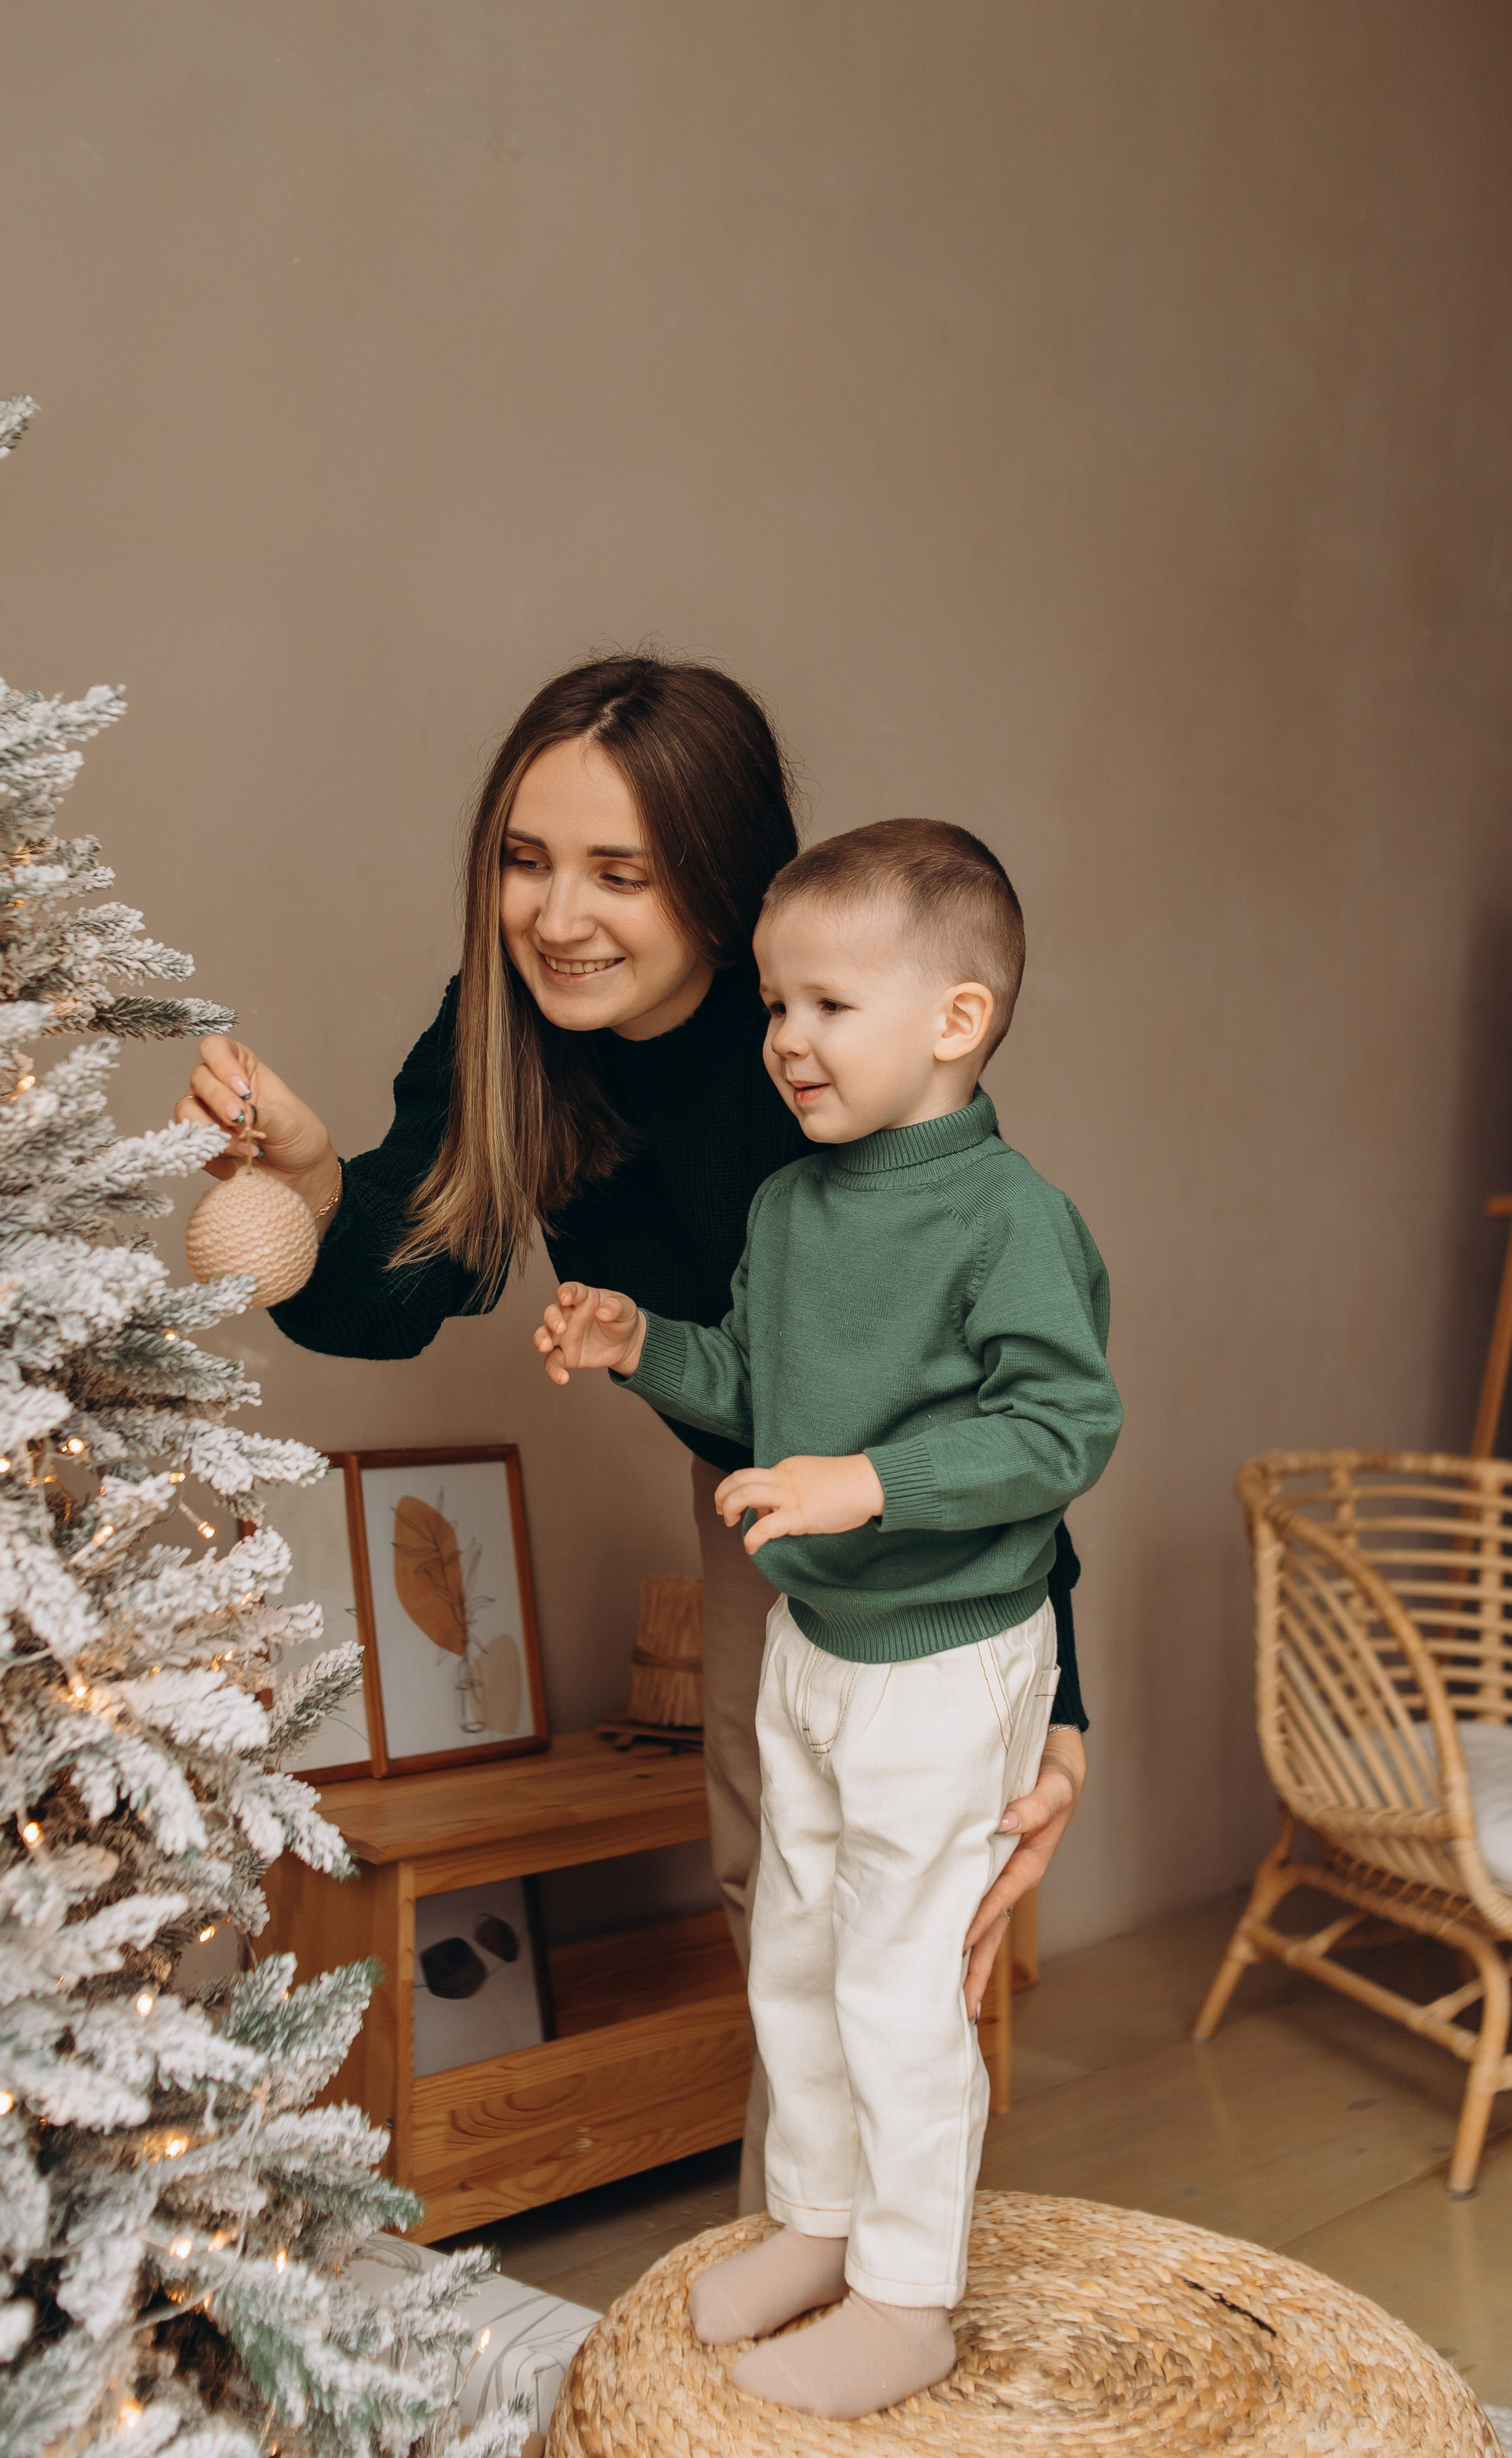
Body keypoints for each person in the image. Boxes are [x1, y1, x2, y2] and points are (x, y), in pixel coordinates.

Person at [174, 657, 1092, 2215]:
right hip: (750, 1481)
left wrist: (1057, 1697)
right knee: (776, 1885)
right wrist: (324, 1178)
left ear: (722, 886)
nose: (557, 914)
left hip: (935, 1517)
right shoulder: (508, 1026)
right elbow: (405, 1294)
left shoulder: (810, 1037)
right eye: (526, 862)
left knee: (890, 1905)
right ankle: (794, 2245)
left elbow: (999, 1391)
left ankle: (896, 2276)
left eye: (621, 872)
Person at [532, 818, 1121, 2420]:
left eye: (826, 1007)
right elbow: (753, 1390)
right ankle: (817, 2220)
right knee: (792, 1952)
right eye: (774, 1007)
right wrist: (640, 1338)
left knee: (895, 1982)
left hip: (943, 1662)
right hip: (813, 1647)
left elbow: (1062, 1431)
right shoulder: (792, 1210)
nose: (784, 1038)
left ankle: (907, 2297)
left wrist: (868, 1483)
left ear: (954, 1021)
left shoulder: (1007, 1218)